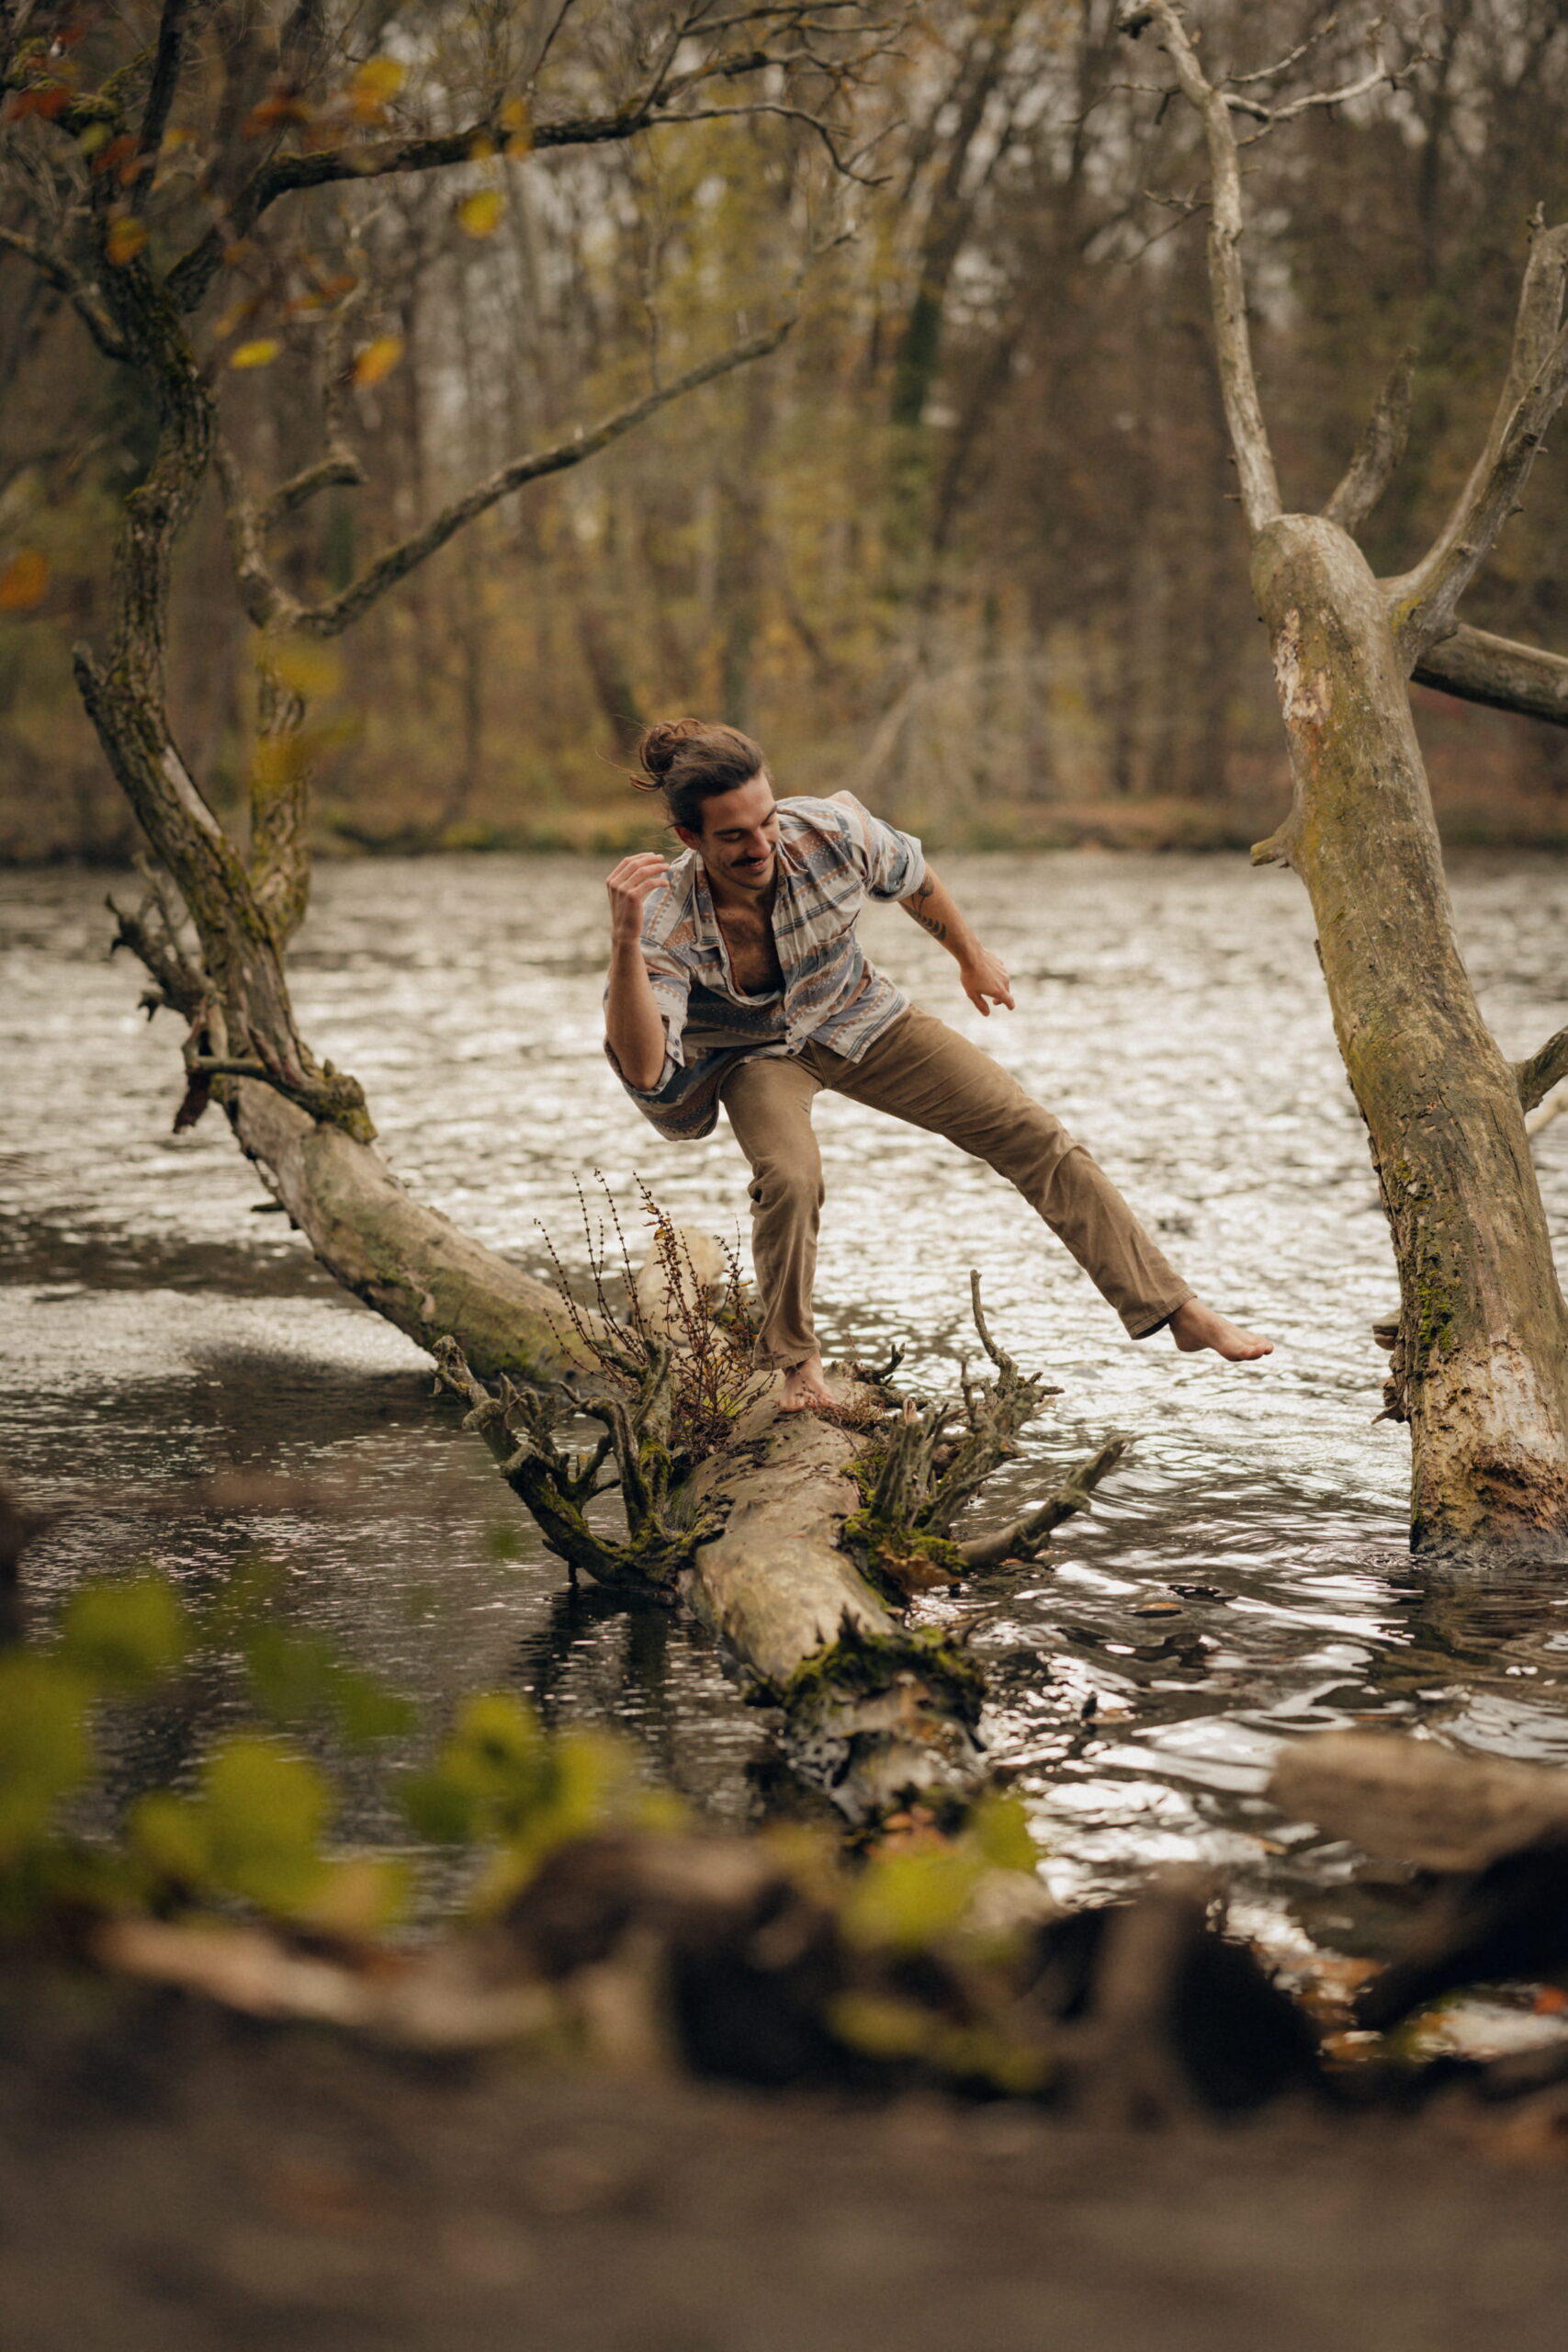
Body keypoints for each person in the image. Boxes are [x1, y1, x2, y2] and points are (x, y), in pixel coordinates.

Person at [604, 718, 1271, 1413]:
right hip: (752, 1055)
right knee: (791, 1177)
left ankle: (1178, 1311)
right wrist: (623, 939)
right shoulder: (665, 920)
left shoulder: (830, 832)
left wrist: (969, 957)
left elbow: (912, 876)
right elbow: (646, 1067)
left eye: (765, 822)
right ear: (689, 839)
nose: (759, 845)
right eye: (733, 837)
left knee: (1032, 1134)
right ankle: (796, 1367)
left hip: (857, 1014)